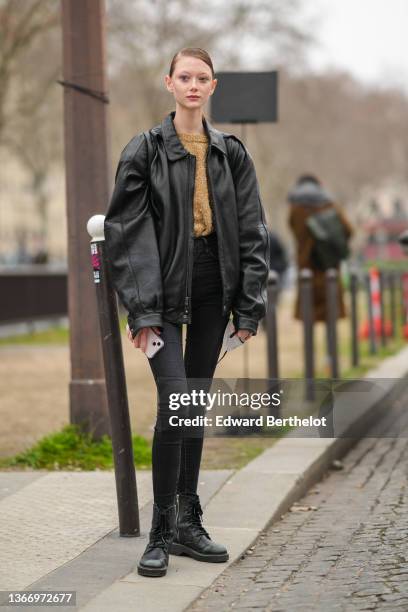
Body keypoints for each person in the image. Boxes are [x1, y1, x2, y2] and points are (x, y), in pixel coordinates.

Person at [104, 47, 270, 578]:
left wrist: (248, 307)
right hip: (161, 287)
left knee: (192, 405)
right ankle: (158, 530)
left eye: (202, 78)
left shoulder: (231, 153)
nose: (193, 85)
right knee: (175, 398)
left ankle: (187, 521)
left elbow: (251, 231)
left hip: (211, 289)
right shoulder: (144, 150)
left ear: (213, 86)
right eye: (184, 77)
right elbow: (126, 236)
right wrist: (144, 309)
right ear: (168, 83)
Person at [287, 174, 353, 322]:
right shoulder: (330, 205)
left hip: (306, 268)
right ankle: (330, 344)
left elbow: (294, 231)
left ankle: (309, 343)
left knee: (308, 315)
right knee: (331, 314)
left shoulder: (295, 208)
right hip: (329, 266)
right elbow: (349, 230)